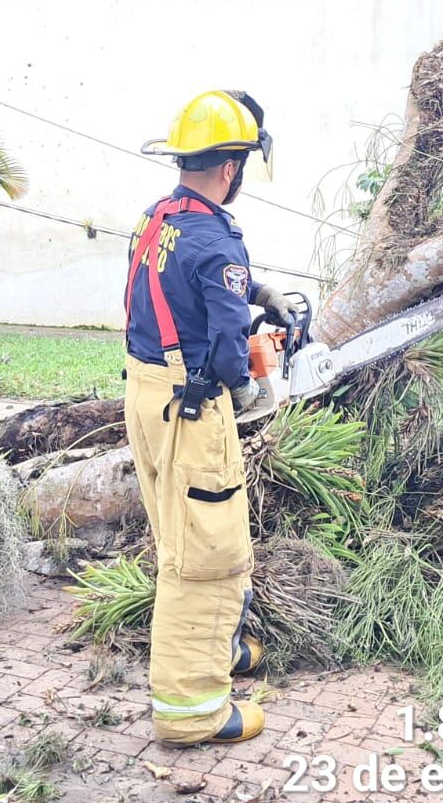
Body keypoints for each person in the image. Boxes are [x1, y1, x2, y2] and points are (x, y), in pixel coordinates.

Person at [124, 90, 297, 746]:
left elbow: (179, 280)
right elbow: (230, 353)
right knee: (207, 555)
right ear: (231, 167)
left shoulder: (159, 217)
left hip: (146, 394)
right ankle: (190, 710)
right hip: (191, 411)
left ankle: (212, 651)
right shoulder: (219, 238)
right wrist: (251, 385)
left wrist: (254, 291)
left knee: (180, 538)